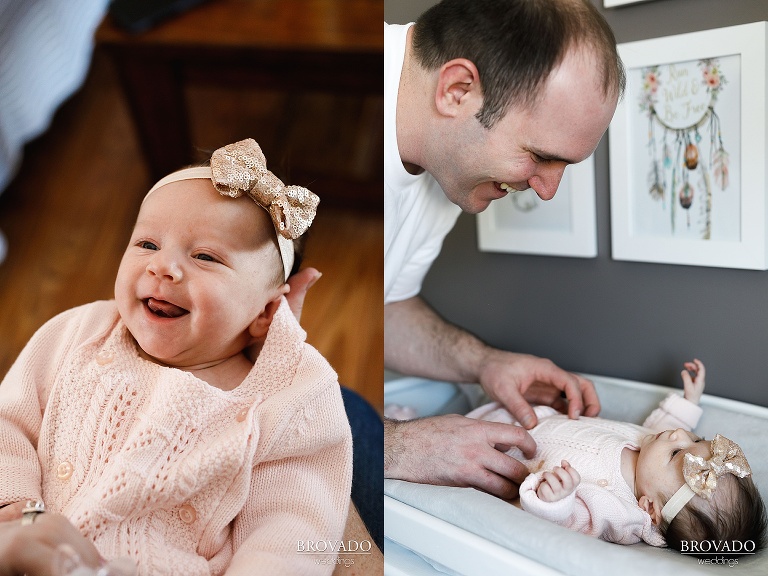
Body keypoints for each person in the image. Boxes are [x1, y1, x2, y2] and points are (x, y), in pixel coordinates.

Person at [0, 139, 353, 575]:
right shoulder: (79, 332)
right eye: (147, 244)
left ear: (267, 312)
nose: (162, 267)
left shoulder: (289, 397)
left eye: (205, 256)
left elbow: (294, 531)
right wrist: (18, 502)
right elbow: (8, 422)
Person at [384, 0, 625, 498]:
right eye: (539, 157)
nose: (547, 190)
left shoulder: (444, 156)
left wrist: (485, 363)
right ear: (457, 91)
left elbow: (386, 306)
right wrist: (397, 446)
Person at [466, 360, 767, 553]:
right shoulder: (652, 456)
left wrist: (556, 501)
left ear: (650, 508)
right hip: (532, 414)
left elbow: (574, 524)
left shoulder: (619, 513)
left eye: (677, 452)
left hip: (496, 451)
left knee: (458, 431)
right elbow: (664, 428)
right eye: (696, 439)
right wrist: (689, 402)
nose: (678, 435)